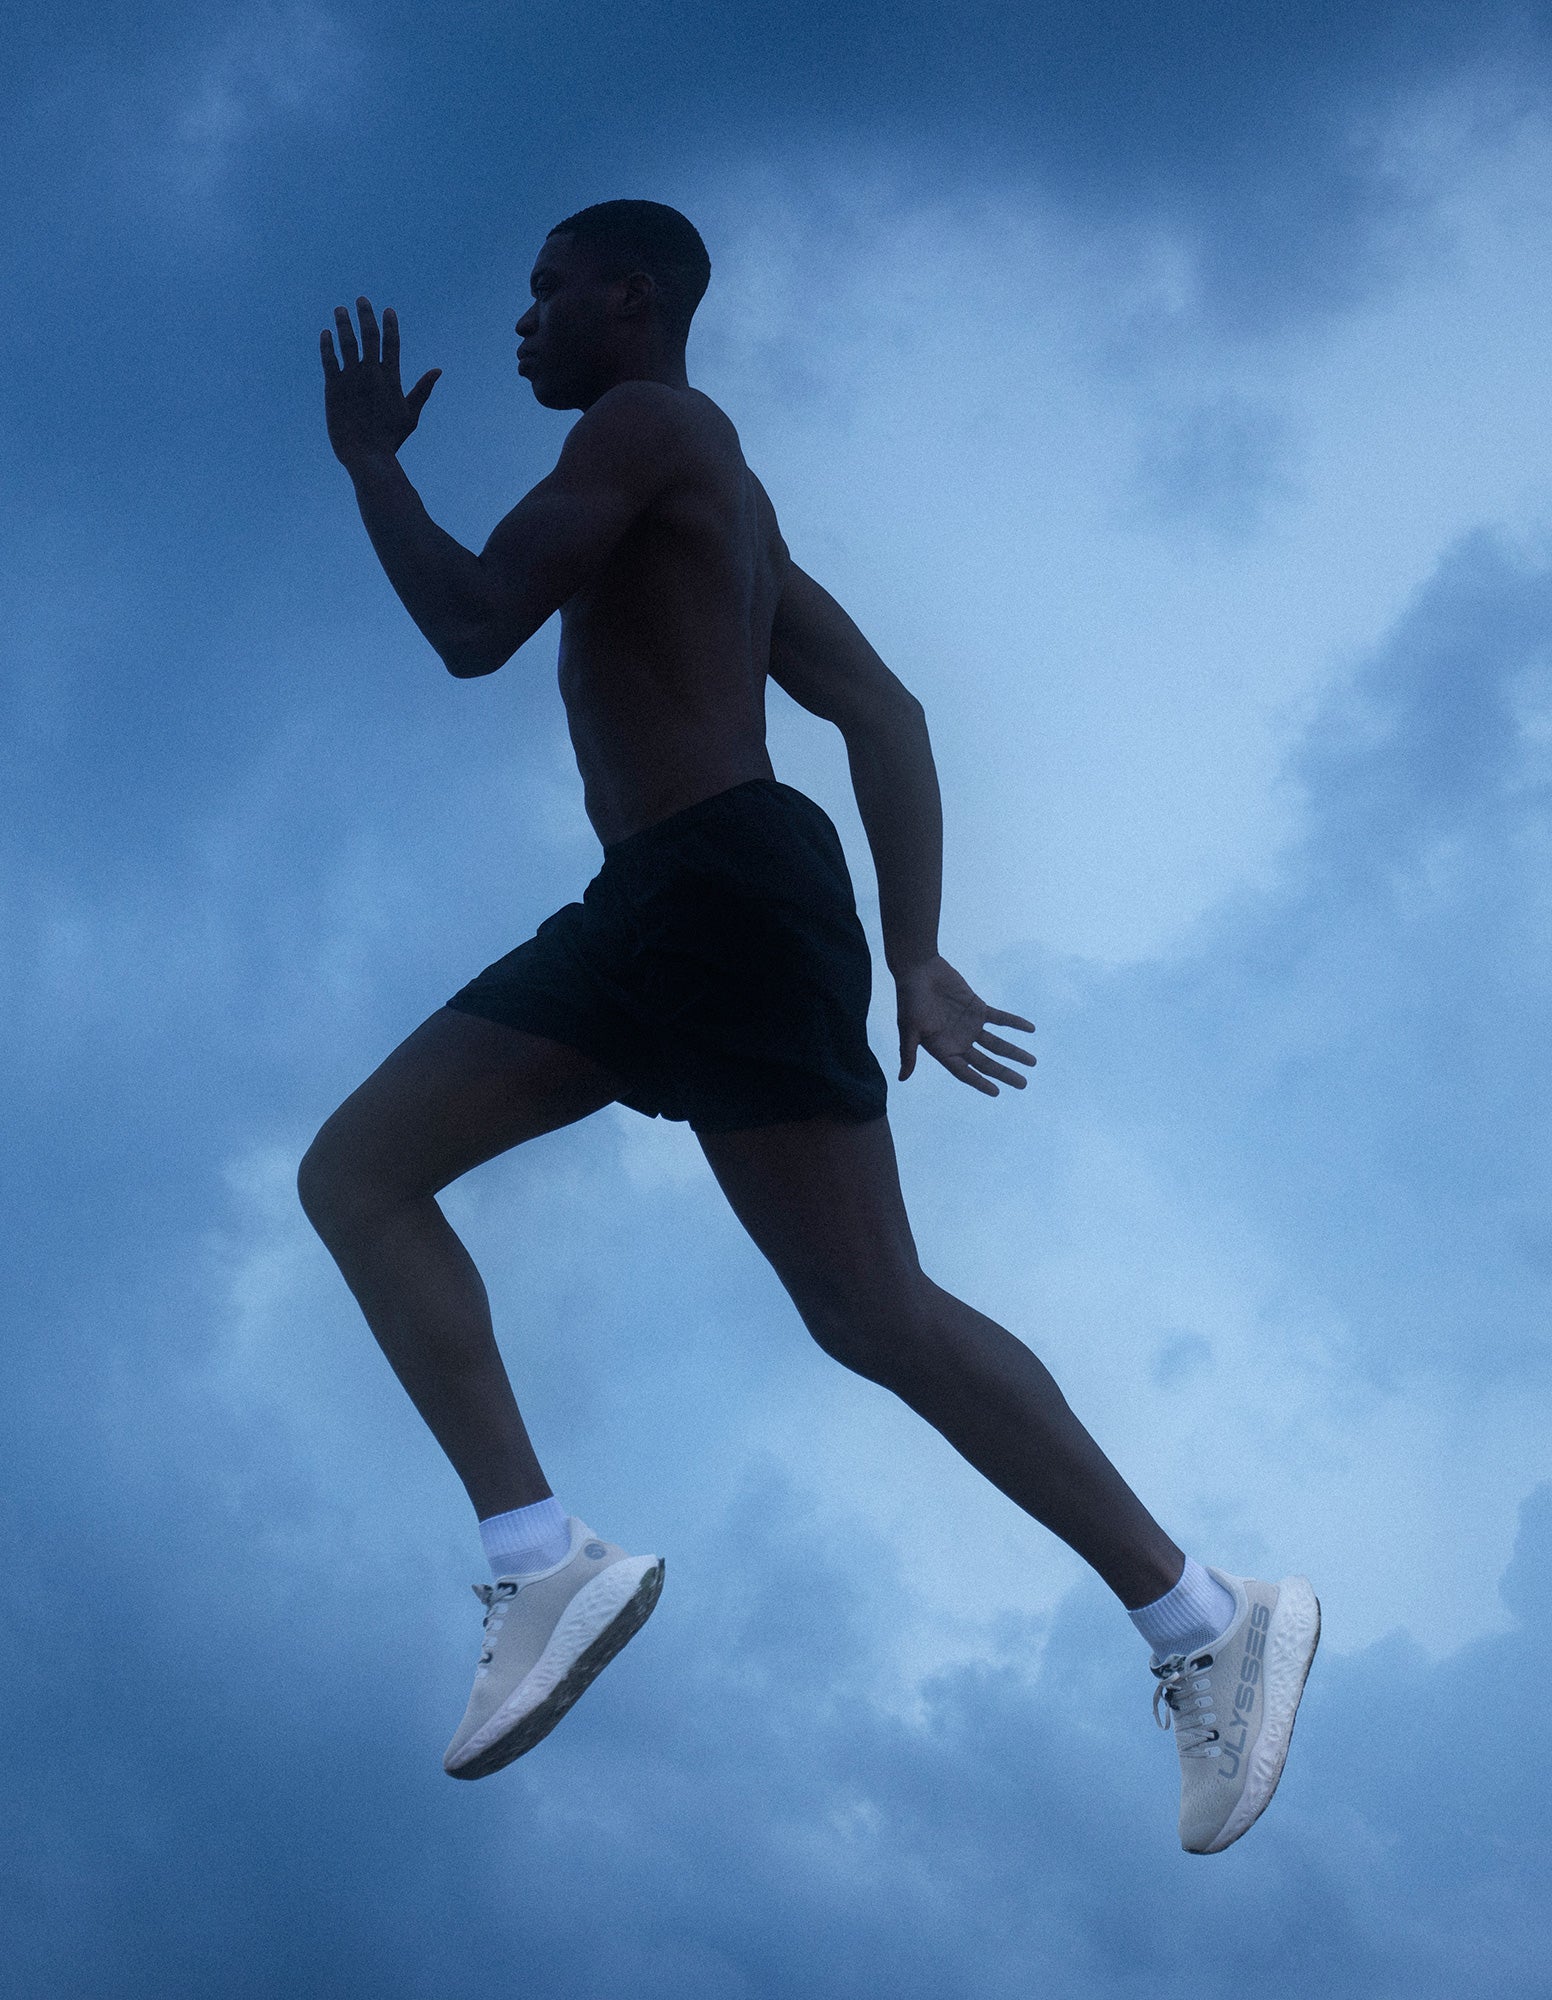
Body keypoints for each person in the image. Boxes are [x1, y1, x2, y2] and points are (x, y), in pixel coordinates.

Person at [301, 199, 1318, 1852]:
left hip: (713, 889)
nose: (523, 319)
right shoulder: (727, 509)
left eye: (548, 288)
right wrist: (912, 953)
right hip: (673, 905)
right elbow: (884, 706)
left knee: (869, 1309)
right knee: (375, 1179)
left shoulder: (652, 428)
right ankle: (542, 1559)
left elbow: (476, 623)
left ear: (634, 300)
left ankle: (1208, 1617)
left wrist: (368, 465)